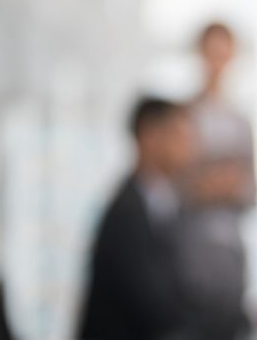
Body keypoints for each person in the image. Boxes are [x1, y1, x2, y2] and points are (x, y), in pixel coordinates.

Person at [80, 97, 197, 339]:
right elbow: (150, 302)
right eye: (179, 135)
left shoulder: (161, 201)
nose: (190, 146)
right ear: (149, 136)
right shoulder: (126, 212)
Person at [170, 22, 257, 340]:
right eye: (212, 53)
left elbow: (251, 191)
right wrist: (207, 186)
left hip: (230, 255)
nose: (218, 61)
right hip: (189, 254)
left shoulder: (241, 120)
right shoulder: (183, 116)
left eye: (225, 53)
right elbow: (173, 186)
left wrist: (222, 186)